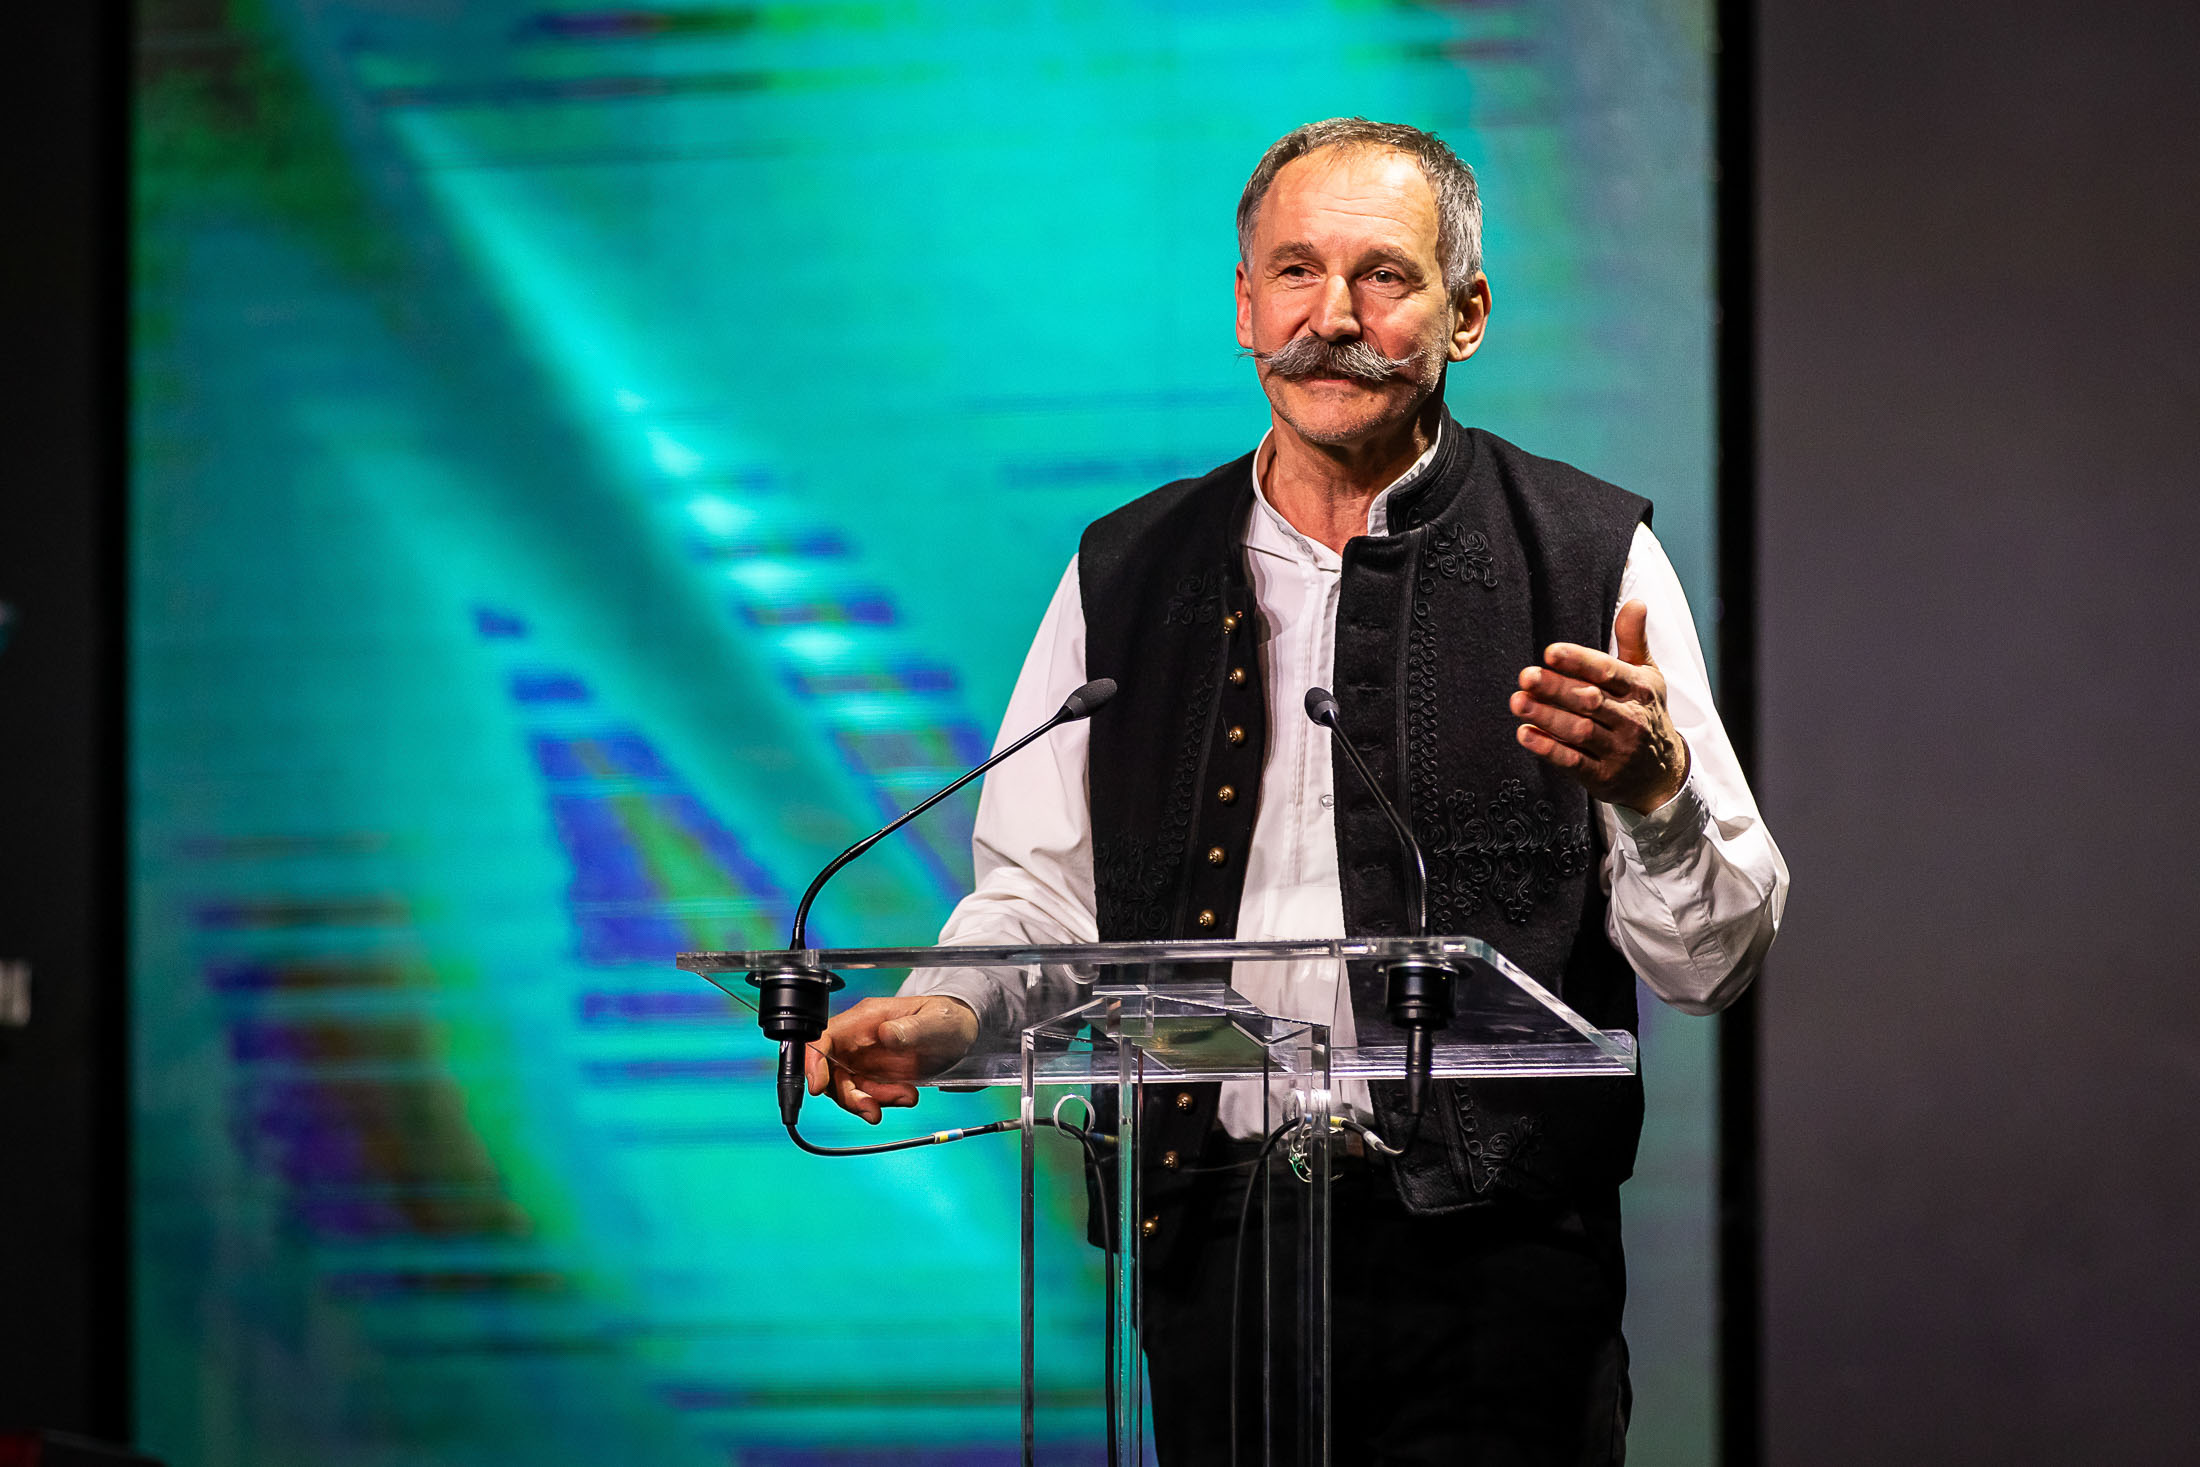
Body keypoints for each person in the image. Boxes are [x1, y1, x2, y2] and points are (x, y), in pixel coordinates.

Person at [806, 117, 1788, 1464]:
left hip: (1496, 1273)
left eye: (1383, 276)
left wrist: (1657, 792)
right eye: (1295, 272)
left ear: (1467, 316)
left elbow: (1713, 962)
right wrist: (943, 1017)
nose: (1333, 318)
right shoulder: (1126, 570)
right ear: (1244, 308)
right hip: (1215, 1243)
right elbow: (1041, 900)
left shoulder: (1584, 555)